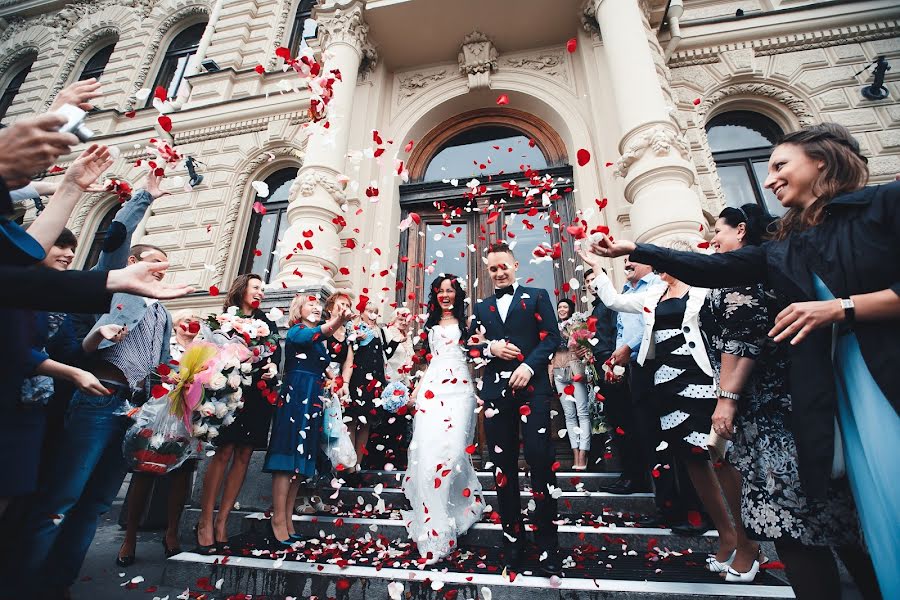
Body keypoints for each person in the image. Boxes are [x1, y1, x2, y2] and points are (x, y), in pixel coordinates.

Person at [589, 122, 892, 598]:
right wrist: (637, 247)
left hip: (878, 379)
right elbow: (712, 267)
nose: (769, 179)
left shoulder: (884, 205)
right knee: (846, 518)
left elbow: (745, 334)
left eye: (779, 165)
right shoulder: (785, 248)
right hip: (823, 393)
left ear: (822, 161)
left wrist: (841, 308)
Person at [699, 203, 870, 591]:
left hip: (770, 417)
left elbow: (742, 339)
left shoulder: (742, 276)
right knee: (830, 520)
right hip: (794, 407)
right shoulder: (772, 267)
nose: (714, 239)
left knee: (788, 521)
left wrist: (726, 398)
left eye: (719, 232)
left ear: (740, 230)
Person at [580, 240, 753, 582]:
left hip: (700, 378)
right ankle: (726, 535)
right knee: (690, 459)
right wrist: (596, 267)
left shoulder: (703, 288)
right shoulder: (653, 293)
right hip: (666, 383)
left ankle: (747, 541)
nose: (659, 264)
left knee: (718, 457)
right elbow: (615, 301)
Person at [12, 243, 177, 599]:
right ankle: (23, 584)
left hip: (133, 411)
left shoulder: (163, 313)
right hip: (98, 399)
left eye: (166, 264)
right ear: (133, 263)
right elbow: (111, 260)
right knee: (62, 498)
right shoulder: (119, 294)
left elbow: (160, 366)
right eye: (155, 261)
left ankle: (58, 583)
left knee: (98, 503)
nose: (162, 268)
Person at [467, 241, 562, 576]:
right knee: (503, 469)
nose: (499, 272)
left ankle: (548, 545)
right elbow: (472, 347)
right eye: (493, 268)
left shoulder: (536, 297)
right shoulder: (481, 308)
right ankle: (513, 543)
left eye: (503, 266)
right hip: (496, 396)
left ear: (515, 265)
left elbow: (552, 337)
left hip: (533, 390)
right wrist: (491, 348)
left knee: (539, 459)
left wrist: (530, 366)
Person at [196, 274, 281, 551]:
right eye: (256, 287)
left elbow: (274, 355)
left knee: (244, 454)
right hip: (229, 392)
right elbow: (207, 352)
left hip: (258, 393)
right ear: (242, 288)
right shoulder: (223, 319)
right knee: (224, 452)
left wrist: (272, 367)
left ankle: (223, 521)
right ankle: (205, 521)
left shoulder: (267, 323)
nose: (260, 293)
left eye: (262, 290)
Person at [403, 275, 484, 564]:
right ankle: (433, 529)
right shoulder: (429, 327)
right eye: (440, 291)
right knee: (427, 455)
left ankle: (453, 513)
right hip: (433, 388)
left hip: (460, 389)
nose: (445, 295)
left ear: (457, 294)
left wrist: (480, 391)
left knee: (451, 456)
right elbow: (428, 360)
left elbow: (478, 356)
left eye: (450, 290)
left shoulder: (469, 324)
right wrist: (416, 389)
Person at [115, 310, 203, 566]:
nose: (190, 323)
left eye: (194, 319)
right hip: (156, 421)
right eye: (185, 319)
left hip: (187, 425)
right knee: (144, 475)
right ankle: (130, 537)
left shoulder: (203, 352)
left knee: (181, 477)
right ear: (175, 325)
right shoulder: (163, 347)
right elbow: (146, 379)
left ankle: (172, 532)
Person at [264, 294, 353, 545]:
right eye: (310, 305)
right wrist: (336, 321)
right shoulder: (296, 331)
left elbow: (328, 365)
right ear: (298, 311)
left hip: (314, 397)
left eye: (318, 306)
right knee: (286, 458)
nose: (315, 308)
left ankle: (288, 518)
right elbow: (317, 334)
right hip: (296, 394)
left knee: (300, 462)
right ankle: (278, 519)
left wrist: (336, 383)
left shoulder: (320, 340)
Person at [581, 267, 628, 470]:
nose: (591, 284)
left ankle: (630, 475)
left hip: (612, 364)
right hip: (601, 364)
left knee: (621, 418)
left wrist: (615, 366)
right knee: (612, 417)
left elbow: (618, 332)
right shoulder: (597, 308)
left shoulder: (612, 304)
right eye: (588, 282)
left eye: (594, 279)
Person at [346, 300, 389, 472]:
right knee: (353, 419)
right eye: (369, 310)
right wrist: (356, 339)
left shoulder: (379, 332)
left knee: (367, 423)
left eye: (375, 311)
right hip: (358, 379)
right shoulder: (354, 328)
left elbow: (385, 354)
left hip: (375, 380)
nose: (372, 314)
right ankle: (348, 466)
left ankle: (357, 465)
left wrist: (395, 343)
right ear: (362, 312)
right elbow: (348, 353)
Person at [550, 298, 591, 470]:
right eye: (559, 307)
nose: (561, 309)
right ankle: (575, 452)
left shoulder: (577, 324)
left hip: (575, 370)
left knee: (582, 412)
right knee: (569, 414)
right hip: (559, 371)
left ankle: (584, 453)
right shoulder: (553, 327)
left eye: (565, 306)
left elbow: (583, 346)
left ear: (571, 309)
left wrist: (572, 334)